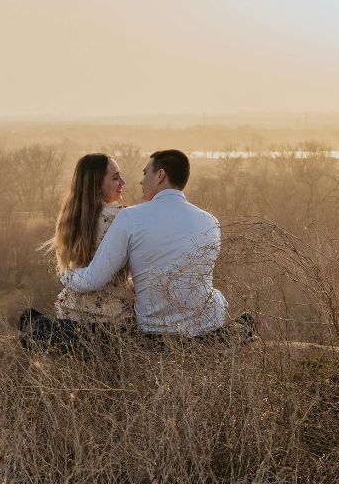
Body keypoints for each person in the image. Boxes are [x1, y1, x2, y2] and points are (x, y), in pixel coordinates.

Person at [59, 149, 230, 338]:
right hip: (206, 324)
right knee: (216, 295)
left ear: (160, 175)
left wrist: (65, 274)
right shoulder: (210, 221)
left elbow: (93, 279)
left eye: (144, 173)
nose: (140, 181)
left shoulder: (130, 217)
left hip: (155, 327)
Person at [18, 153, 134, 351]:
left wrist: (66, 275)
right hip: (112, 317)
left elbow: (73, 268)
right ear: (97, 184)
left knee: (33, 319)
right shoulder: (122, 218)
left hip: (71, 312)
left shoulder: (73, 218)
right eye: (115, 178)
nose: (123, 182)